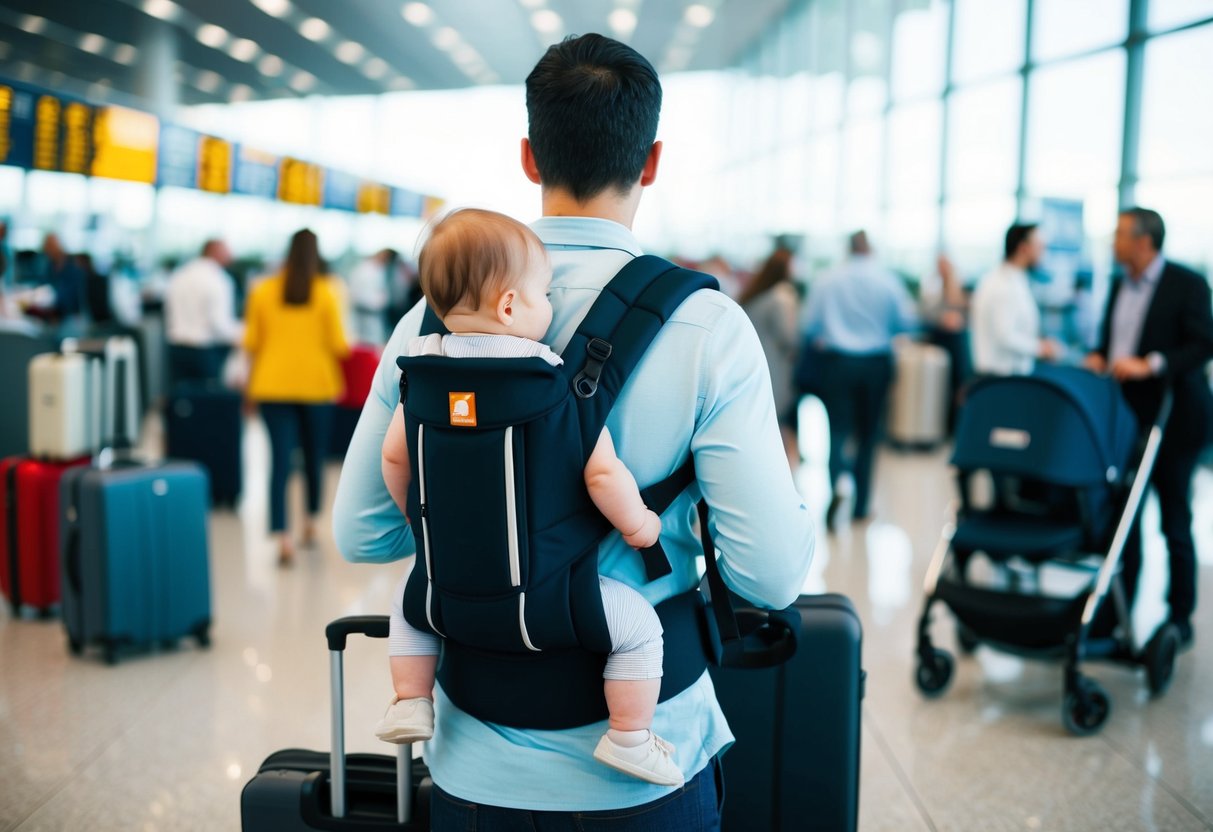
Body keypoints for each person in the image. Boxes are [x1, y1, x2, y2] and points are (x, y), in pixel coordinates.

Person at [334, 32, 813, 828]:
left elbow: (362, 532)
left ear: (529, 156)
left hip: (473, 756)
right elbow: (769, 577)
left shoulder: (427, 327)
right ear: (650, 161)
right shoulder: (707, 326)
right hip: (643, 757)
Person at [375, 208, 681, 787]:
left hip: (445, 594)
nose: (549, 305)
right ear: (511, 306)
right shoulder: (549, 382)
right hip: (547, 602)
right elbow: (602, 475)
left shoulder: (420, 375)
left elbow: (395, 458)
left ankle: (410, 700)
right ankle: (629, 735)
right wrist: (641, 526)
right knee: (639, 628)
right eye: (543, 293)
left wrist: (417, 525)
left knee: (406, 607)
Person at [1085, 207, 1213, 648]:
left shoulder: (1187, 284)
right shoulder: (1120, 283)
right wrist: (1100, 355)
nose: (1113, 241)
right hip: (1125, 419)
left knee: (1174, 518)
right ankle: (1119, 609)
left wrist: (1152, 365)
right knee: (1124, 517)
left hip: (1174, 418)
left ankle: (1180, 617)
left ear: (1144, 242)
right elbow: (1112, 340)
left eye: (1119, 234)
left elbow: (1203, 344)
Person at [244, 229, 350, 566]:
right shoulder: (326, 292)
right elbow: (340, 344)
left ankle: (283, 537)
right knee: (314, 456)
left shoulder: (262, 290)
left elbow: (251, 343)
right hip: (317, 385)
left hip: (271, 385)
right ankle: (310, 522)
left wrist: (249, 388)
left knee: (279, 461)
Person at [802, 230, 917, 530]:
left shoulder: (827, 279)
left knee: (837, 430)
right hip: (875, 365)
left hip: (837, 363)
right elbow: (906, 323)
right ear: (871, 248)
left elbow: (810, 326)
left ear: (847, 248)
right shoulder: (887, 280)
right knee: (868, 434)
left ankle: (837, 484)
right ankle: (862, 506)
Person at [969, 223, 1061, 377]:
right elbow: (1005, 335)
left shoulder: (1014, 279)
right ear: (1023, 248)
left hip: (1005, 377)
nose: (1044, 253)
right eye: (1040, 247)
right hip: (999, 378)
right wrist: (1041, 348)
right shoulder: (1002, 284)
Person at [739, 246, 800, 462]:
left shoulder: (755, 295)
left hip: (752, 364)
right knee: (775, 419)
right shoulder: (781, 297)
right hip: (775, 367)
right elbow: (789, 337)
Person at [165, 239, 241, 384]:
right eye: (227, 251)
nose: (231, 256)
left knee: (183, 400)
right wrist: (242, 336)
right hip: (205, 351)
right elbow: (219, 324)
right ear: (216, 252)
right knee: (206, 401)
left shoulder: (180, 274)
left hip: (176, 348)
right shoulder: (219, 279)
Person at [347, 248, 397, 346]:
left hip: (375, 317)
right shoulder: (362, 270)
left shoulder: (380, 270)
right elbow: (356, 295)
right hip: (364, 314)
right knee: (364, 345)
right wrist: (378, 302)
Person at [42, 233, 85, 323]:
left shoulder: (73, 268)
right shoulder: (49, 267)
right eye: (47, 247)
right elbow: (43, 286)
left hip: (71, 315)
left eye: (51, 246)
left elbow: (72, 299)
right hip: (51, 314)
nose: (48, 250)